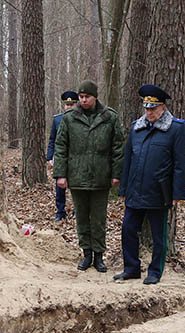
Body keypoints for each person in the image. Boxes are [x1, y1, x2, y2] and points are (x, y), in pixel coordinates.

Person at [115, 84, 185, 285]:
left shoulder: (176, 128)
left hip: (159, 191)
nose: (149, 112)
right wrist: (123, 189)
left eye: (153, 109)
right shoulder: (136, 128)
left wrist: (178, 193)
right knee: (128, 229)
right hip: (135, 190)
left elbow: (181, 164)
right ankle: (131, 268)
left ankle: (155, 271)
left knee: (158, 235)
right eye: (147, 108)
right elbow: (128, 160)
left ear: (163, 108)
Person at [53, 80, 124, 273]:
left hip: (101, 176)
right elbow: (61, 147)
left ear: (95, 97)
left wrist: (116, 173)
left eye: (87, 97)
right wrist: (60, 174)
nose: (83, 100)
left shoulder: (109, 117)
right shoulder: (69, 118)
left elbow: (118, 147)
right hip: (77, 175)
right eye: (81, 97)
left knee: (99, 219)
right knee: (82, 217)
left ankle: (99, 256)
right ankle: (86, 254)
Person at [46, 91, 78, 221]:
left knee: (76, 186)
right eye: (67, 104)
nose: (69, 107)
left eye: (72, 104)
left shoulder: (81, 119)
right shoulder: (57, 119)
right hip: (61, 158)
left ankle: (77, 210)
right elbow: (52, 139)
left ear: (77, 104)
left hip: (76, 158)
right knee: (60, 187)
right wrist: (49, 157)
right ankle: (60, 212)